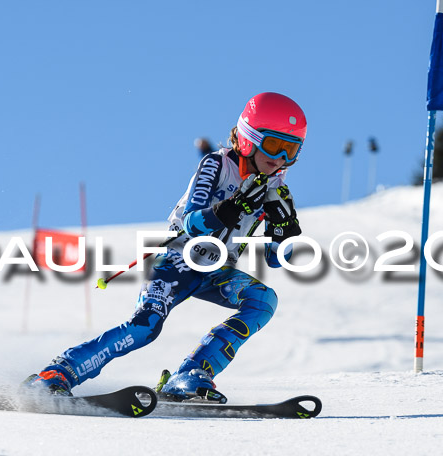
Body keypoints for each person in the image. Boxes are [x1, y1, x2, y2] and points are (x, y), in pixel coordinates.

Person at [23, 92, 308, 401]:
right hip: (178, 261)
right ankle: (57, 373)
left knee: (263, 300)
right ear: (250, 138)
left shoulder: (276, 188)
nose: (280, 159)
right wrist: (234, 206)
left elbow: (278, 259)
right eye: (274, 146)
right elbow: (192, 223)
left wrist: (285, 228)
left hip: (217, 271)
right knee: (144, 328)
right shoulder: (216, 164)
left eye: (291, 151)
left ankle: (191, 374)